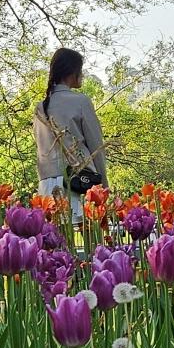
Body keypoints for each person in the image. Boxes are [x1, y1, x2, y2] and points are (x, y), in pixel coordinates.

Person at [33, 48, 108, 227]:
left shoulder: (40, 107)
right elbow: (96, 146)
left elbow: (40, 149)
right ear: (73, 71)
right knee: (89, 240)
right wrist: (103, 186)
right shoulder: (80, 101)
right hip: (78, 182)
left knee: (54, 246)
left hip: (47, 185)